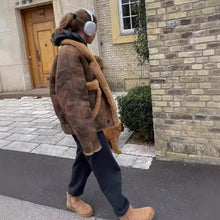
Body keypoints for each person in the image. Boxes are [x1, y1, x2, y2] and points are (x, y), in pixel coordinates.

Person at [49, 8, 154, 220]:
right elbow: (73, 100)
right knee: (106, 166)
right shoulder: (69, 53)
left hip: (88, 121)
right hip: (86, 125)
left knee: (83, 159)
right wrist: (88, 135)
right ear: (90, 29)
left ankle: (73, 197)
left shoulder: (77, 49)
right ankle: (126, 212)